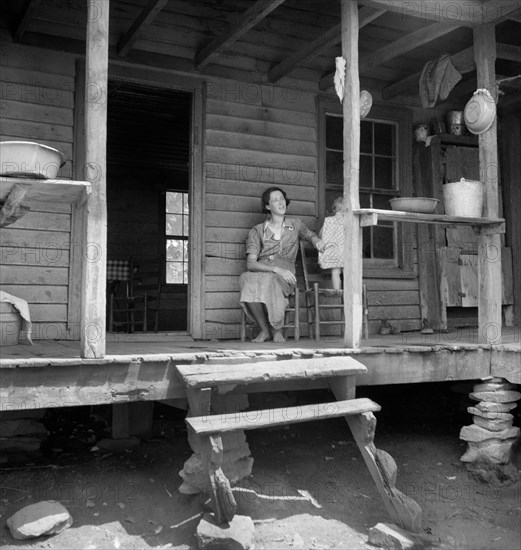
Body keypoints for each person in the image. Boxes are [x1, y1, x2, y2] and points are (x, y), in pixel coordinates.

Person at [239, 187, 324, 343]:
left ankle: (277, 330)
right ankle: (265, 330)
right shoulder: (257, 231)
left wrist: (316, 241)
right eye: (275, 200)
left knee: (271, 281)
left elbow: (310, 234)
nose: (280, 202)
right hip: (264, 269)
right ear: (267, 206)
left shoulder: (295, 224)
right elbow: (251, 264)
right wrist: (274, 269)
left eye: (282, 198)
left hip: (286, 274)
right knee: (247, 279)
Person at [318, 196, 345, 290]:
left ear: (335, 209)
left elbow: (321, 234)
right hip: (344, 251)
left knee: (335, 272)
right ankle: (349, 294)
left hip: (332, 251)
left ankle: (337, 291)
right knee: (347, 272)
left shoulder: (328, 220)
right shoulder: (347, 221)